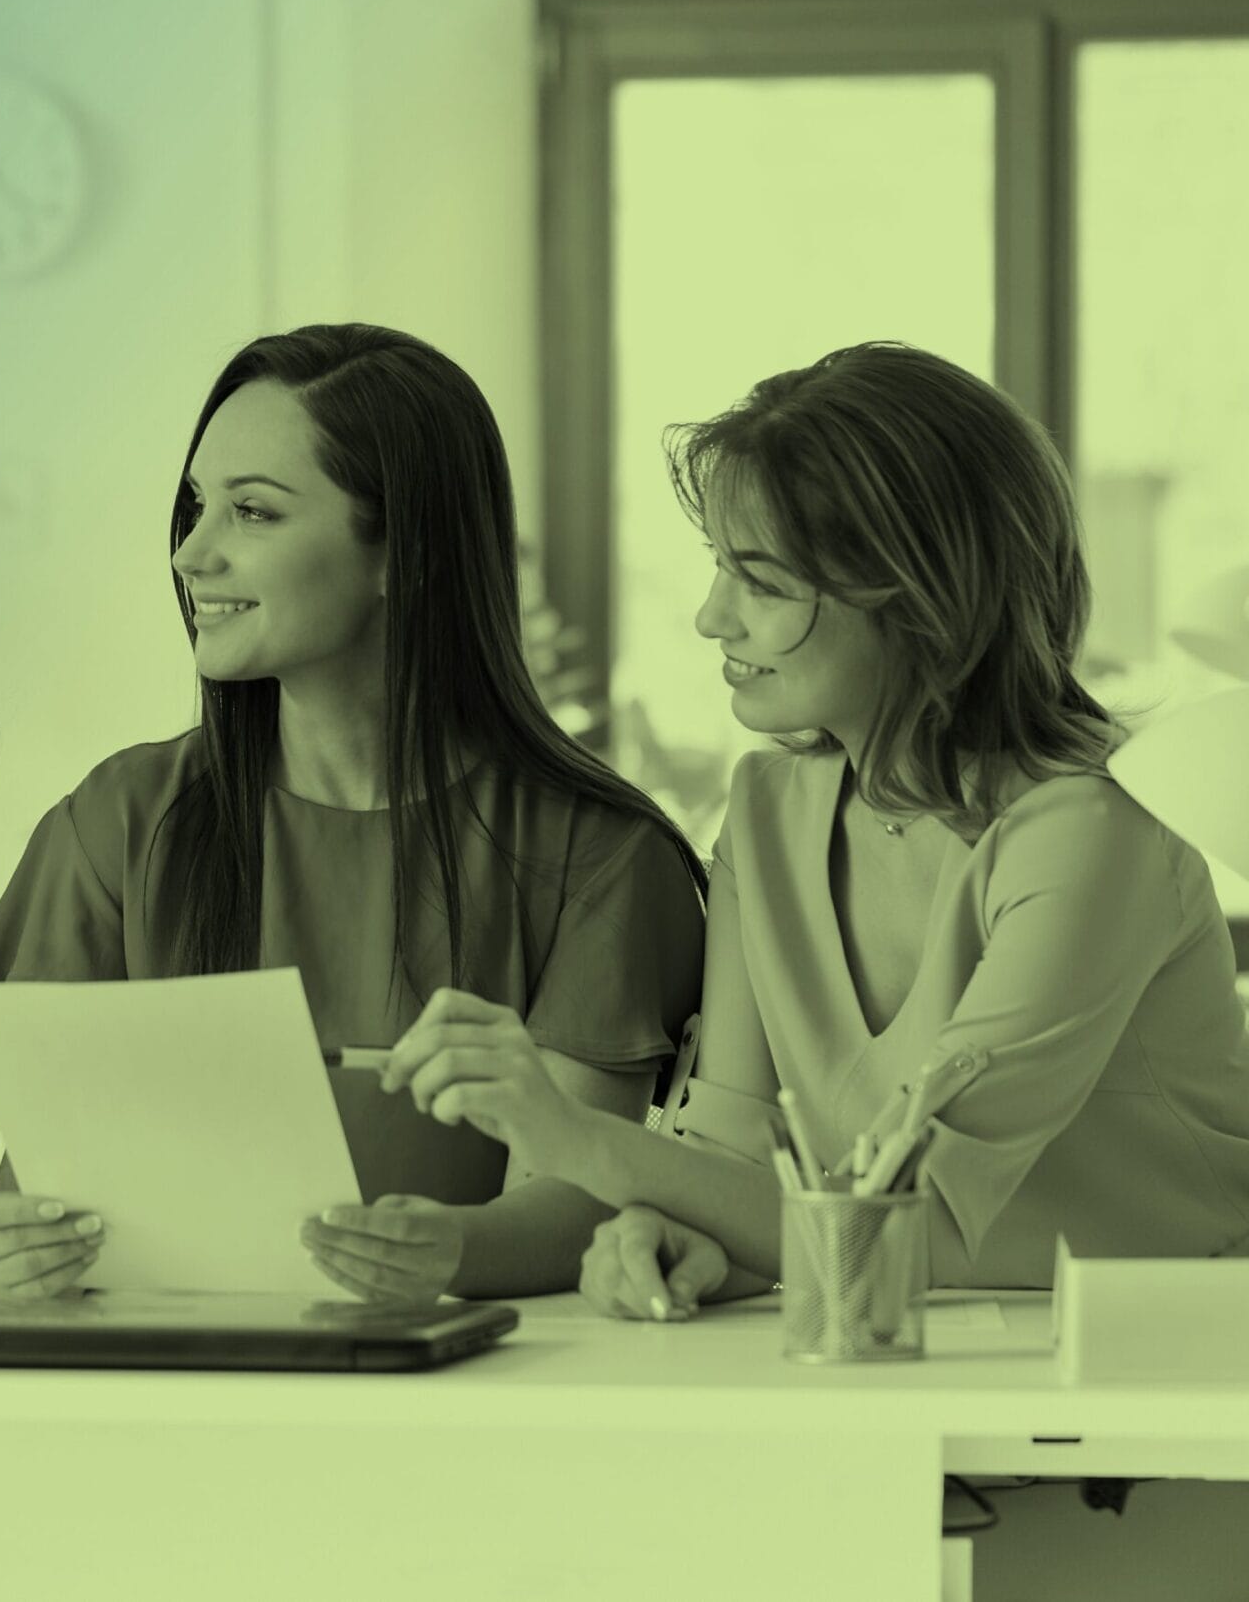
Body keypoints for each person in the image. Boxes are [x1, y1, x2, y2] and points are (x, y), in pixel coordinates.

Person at [385, 341, 1249, 1317]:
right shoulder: (767, 813)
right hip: (898, 1349)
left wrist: (575, 1139)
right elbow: (739, 1164)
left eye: (760, 581)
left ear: (921, 596)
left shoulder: (1091, 833)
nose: (712, 617)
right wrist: (681, 1235)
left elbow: (908, 1222)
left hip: (1165, 1360)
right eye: (721, 568)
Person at [0, 323, 706, 1300]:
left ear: (403, 552)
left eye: (252, 512)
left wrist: (451, 1251)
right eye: (194, 507)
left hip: (490, 1378)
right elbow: (34, 1173)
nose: (190, 553)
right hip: (155, 1368)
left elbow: (583, 1194)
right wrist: (13, 1236)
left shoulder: (602, 856)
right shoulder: (115, 824)